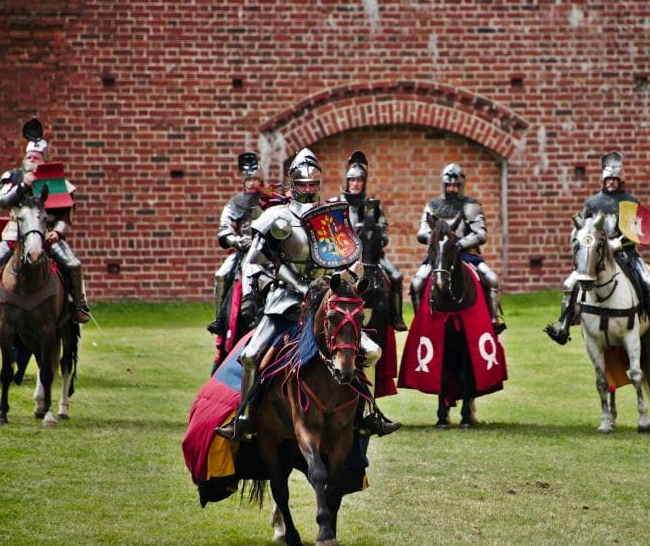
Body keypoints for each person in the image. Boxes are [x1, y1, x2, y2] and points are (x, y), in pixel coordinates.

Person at [215, 148, 399, 442]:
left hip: (326, 297)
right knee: (250, 356)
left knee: (372, 351)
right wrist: (262, 293)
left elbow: (349, 255)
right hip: (285, 300)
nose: (308, 190)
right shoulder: (277, 217)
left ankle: (367, 414)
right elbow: (254, 262)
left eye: (313, 185)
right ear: (292, 184)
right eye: (302, 185)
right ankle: (245, 418)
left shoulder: (332, 216)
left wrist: (347, 278)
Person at [0, 118, 90, 327]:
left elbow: (65, 215)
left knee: (73, 264)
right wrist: (23, 185)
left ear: (44, 158)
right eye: (29, 156)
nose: (32, 160)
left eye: (37, 157)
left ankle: (78, 306)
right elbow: (2, 201)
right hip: (16, 233)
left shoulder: (57, 181)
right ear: (24, 157)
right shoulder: (12, 177)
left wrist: (57, 233)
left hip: (48, 233)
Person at [544, 150, 650, 345]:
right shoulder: (593, 203)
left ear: (621, 180)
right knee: (570, 284)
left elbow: (636, 233)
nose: (611, 182)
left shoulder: (631, 202)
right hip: (597, 255)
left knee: (647, 280)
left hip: (626, 254)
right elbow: (581, 229)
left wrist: (617, 244)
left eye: (614, 179)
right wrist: (580, 242)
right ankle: (563, 328)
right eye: (608, 178)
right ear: (603, 179)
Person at [410, 163, 505, 333]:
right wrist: (436, 240)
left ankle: (494, 318)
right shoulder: (432, 205)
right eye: (449, 185)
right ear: (443, 185)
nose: (452, 189)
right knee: (416, 283)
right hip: (439, 254)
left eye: (456, 185)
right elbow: (422, 232)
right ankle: (420, 322)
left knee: (491, 278)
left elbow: (480, 234)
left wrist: (458, 244)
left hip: (466, 253)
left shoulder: (471, 204)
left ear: (461, 186)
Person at [329, 150, 407, 332]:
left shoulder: (374, 205)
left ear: (364, 183)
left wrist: (376, 234)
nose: (356, 184)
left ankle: (396, 317)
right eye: (352, 180)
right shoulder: (336, 204)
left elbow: (384, 233)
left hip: (372, 257)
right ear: (347, 182)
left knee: (395, 276)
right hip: (342, 256)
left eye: (359, 181)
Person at [206, 151, 264, 336]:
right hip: (242, 250)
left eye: (255, 178)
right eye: (248, 179)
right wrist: (238, 241)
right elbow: (224, 229)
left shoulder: (270, 200)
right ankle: (220, 320)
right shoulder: (235, 203)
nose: (252, 182)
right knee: (221, 276)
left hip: (265, 252)